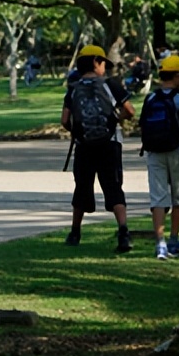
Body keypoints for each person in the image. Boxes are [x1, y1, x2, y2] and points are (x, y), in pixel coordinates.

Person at [60, 45, 136, 253]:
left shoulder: (73, 88)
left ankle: (75, 232)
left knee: (82, 187)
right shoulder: (110, 84)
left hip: (83, 146)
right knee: (113, 187)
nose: (105, 68)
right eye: (103, 63)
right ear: (96, 62)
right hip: (109, 143)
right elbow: (130, 110)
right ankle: (123, 232)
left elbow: (64, 120)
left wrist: (77, 132)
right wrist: (115, 119)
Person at [142, 55, 179, 260]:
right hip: (177, 151)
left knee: (158, 197)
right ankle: (174, 239)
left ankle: (160, 243)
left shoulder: (151, 98)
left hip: (154, 151)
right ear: (176, 76)